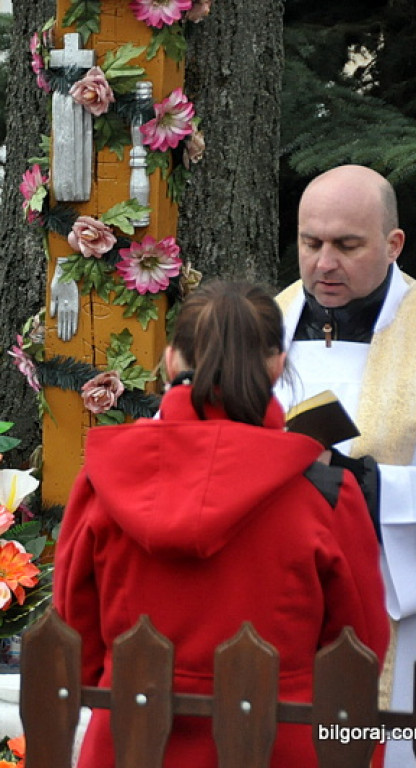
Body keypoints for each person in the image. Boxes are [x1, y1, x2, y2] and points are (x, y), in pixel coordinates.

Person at [54, 280, 389, 767]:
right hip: (278, 740)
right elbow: (360, 651)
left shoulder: (102, 482)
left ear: (171, 361)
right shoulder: (326, 494)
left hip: (131, 737)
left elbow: (74, 637)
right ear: (277, 366)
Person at [275, 163, 416, 768]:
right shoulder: (261, 325)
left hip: (389, 592)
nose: (324, 263)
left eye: (347, 245)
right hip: (279, 590)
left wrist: (368, 485)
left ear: (393, 244)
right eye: (311, 243)